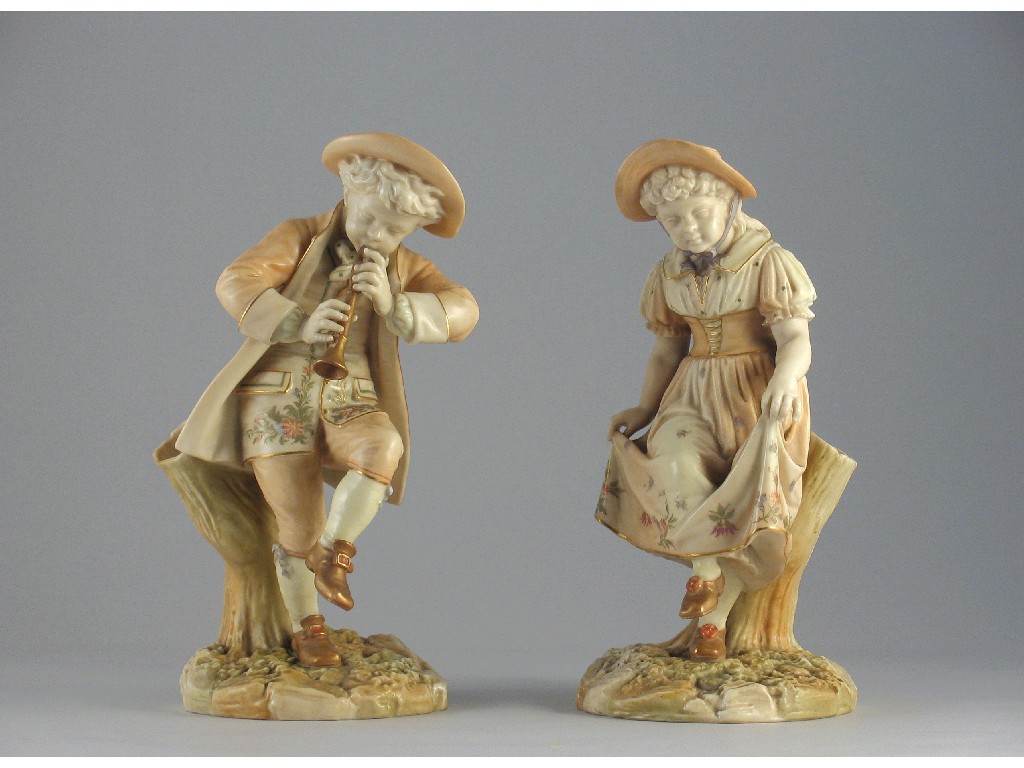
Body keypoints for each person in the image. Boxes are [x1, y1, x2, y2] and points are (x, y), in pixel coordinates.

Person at [172, 132, 479, 667]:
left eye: (395, 230)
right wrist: (297, 320)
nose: (378, 236)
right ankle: (308, 627)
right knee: (297, 524)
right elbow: (237, 280)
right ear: (348, 192)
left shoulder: (400, 265)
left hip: (349, 395)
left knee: (384, 447)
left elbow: (464, 309)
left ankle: (337, 553)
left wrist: (395, 303)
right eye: (370, 219)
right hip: (278, 397)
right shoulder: (300, 235)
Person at [597, 139, 815, 661]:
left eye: (699, 213)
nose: (688, 228)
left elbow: (795, 338)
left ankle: (712, 627)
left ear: (728, 204)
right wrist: (645, 408)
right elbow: (666, 349)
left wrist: (787, 380)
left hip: (755, 394)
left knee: (740, 505)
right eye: (673, 220)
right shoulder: (668, 274)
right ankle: (706, 571)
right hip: (691, 393)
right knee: (674, 463)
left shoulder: (767, 261)